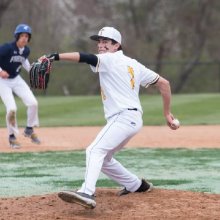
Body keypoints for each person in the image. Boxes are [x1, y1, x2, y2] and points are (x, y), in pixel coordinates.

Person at [45, 27, 179, 209]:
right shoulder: (134, 64)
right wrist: (167, 113)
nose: (101, 45)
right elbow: (164, 83)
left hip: (123, 117)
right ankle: (136, 185)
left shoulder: (109, 59)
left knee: (94, 150)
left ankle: (86, 192)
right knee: (105, 158)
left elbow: (85, 57)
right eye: (99, 41)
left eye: (106, 42)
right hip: (133, 119)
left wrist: (56, 56)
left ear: (116, 45)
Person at [0, 24, 41, 149]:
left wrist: (33, 71)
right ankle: (12, 137)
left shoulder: (26, 50)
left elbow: (23, 61)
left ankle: (29, 129)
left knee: (33, 103)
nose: (24, 38)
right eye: (22, 36)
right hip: (2, 81)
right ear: (17, 36)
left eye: (27, 36)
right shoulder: (7, 48)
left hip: (16, 79)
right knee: (12, 109)